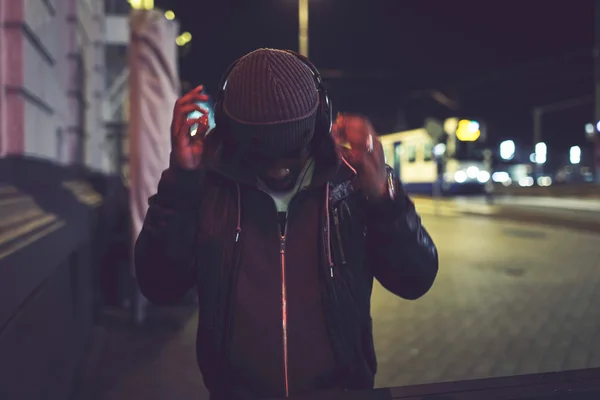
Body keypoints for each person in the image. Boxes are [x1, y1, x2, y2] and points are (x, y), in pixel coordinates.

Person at [134, 48, 439, 400]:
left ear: (318, 120)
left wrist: (386, 201)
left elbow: (416, 279)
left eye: (292, 149)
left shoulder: (351, 184)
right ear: (232, 132)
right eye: (261, 151)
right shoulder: (208, 187)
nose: (278, 167)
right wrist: (181, 183)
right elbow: (159, 286)